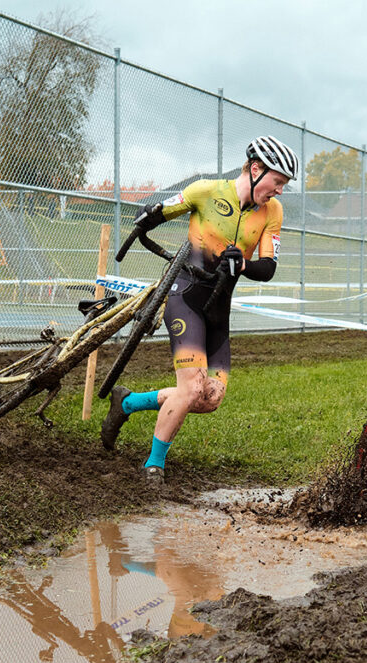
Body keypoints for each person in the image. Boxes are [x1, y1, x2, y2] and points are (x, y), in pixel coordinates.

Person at [100, 136, 298, 485]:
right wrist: (147, 216)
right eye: (277, 182)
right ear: (255, 170)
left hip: (218, 313)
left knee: (209, 398)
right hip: (186, 299)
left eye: (283, 185)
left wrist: (242, 266)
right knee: (191, 388)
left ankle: (127, 403)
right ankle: (153, 468)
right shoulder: (206, 191)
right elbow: (160, 211)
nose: (279, 191)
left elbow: (267, 268)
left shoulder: (273, 213)